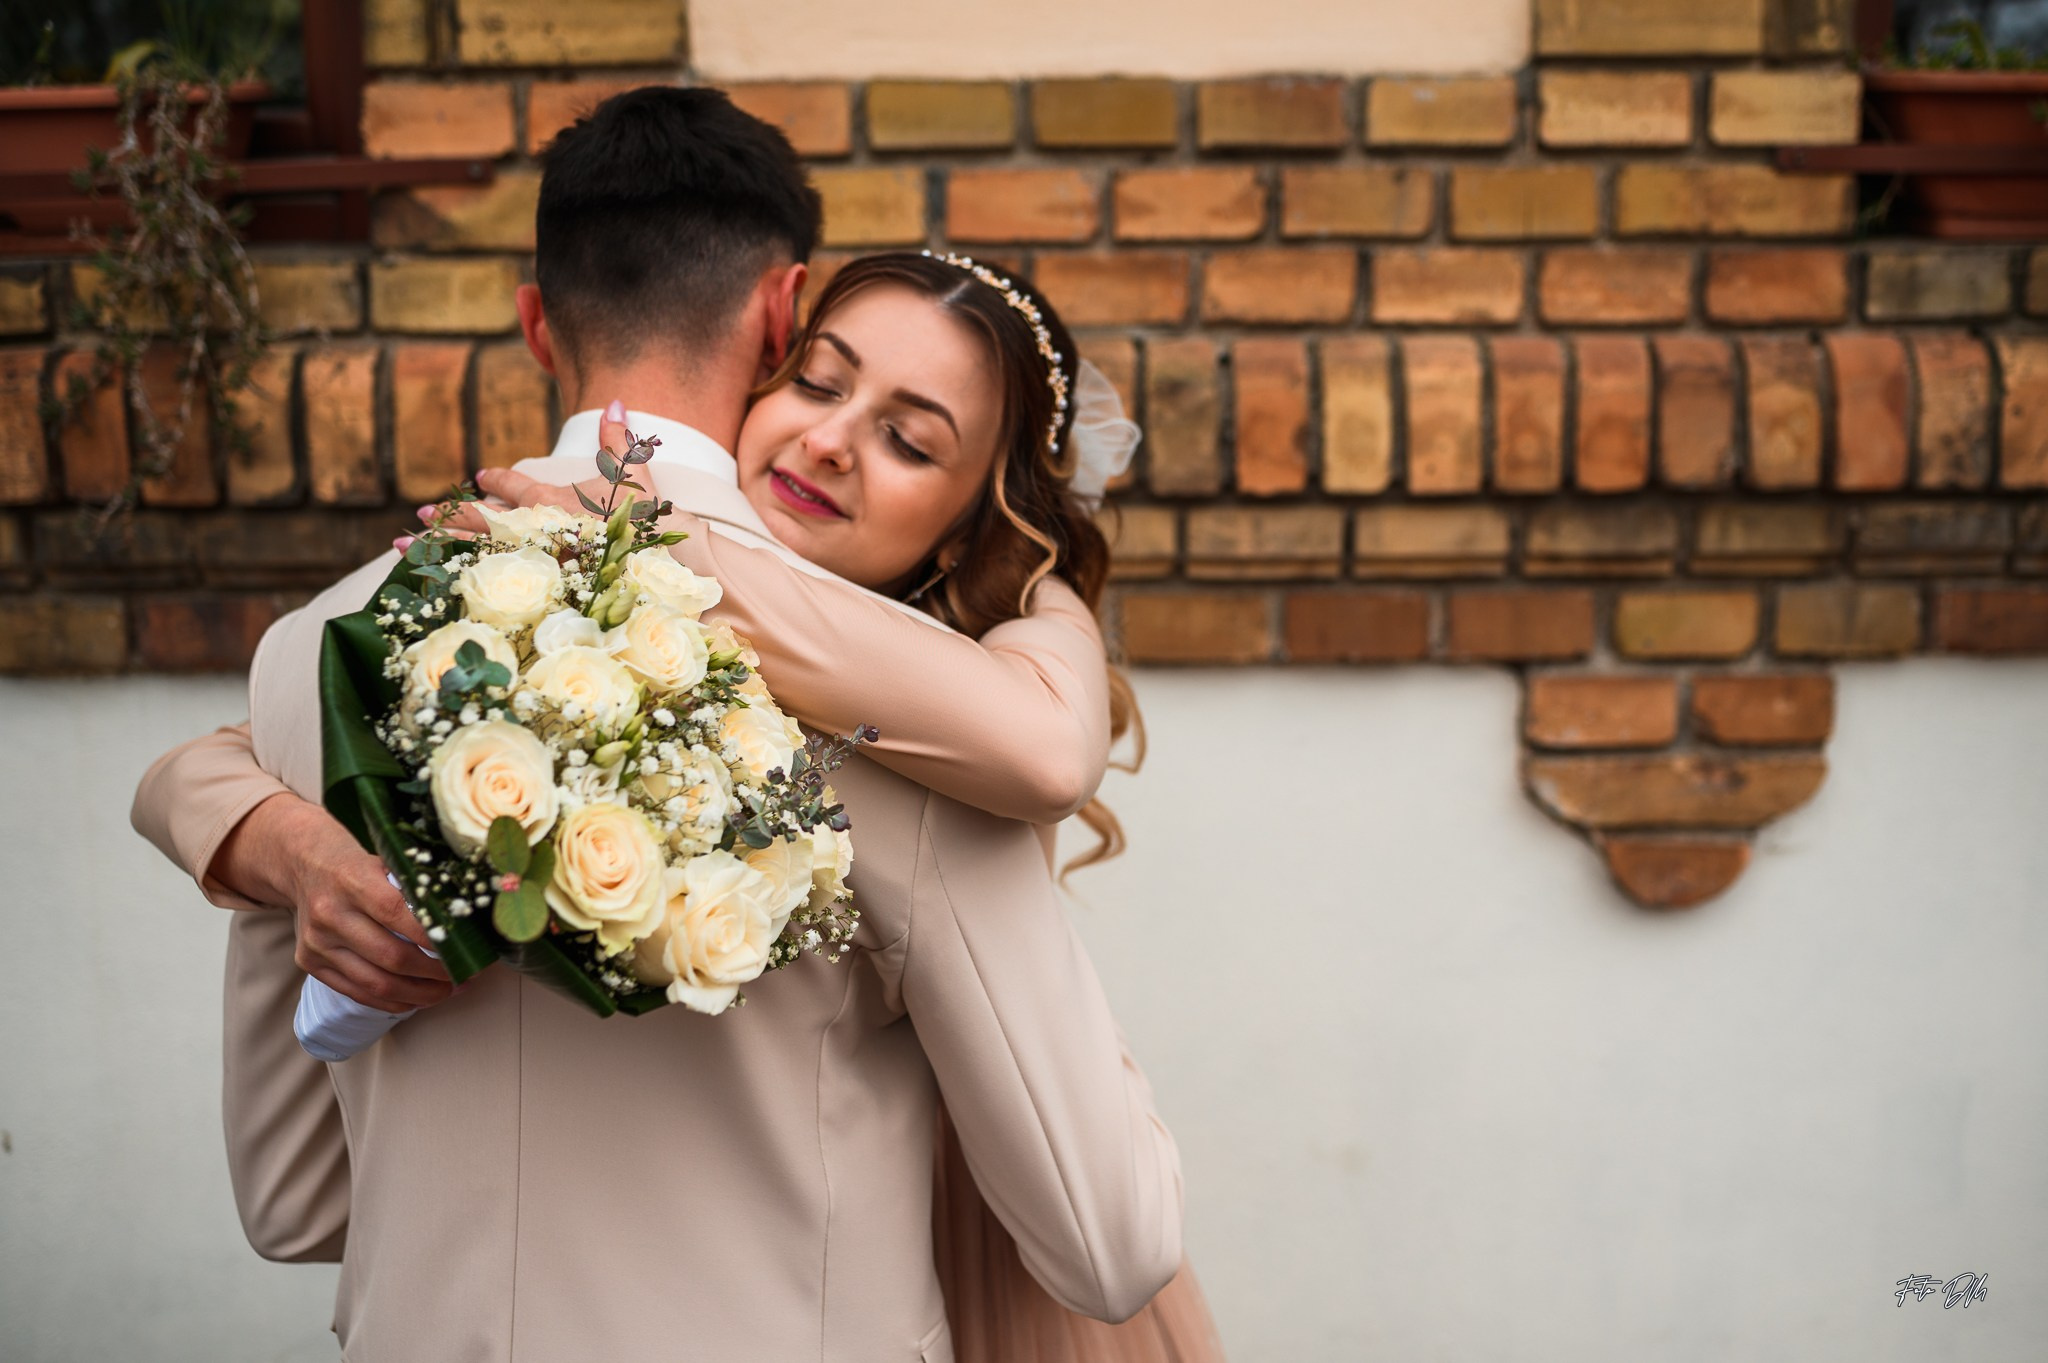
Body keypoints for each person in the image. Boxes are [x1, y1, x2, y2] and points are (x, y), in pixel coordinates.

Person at [131, 87, 1218, 1360]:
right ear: (778, 314)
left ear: (537, 321)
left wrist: (244, 828)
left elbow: (294, 1199)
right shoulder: (913, 714)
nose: (836, 440)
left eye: (913, 440)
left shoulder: (311, 652)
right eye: (823, 375)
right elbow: (1108, 1242)